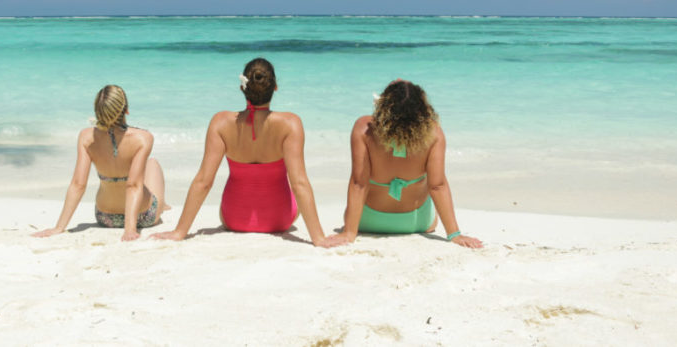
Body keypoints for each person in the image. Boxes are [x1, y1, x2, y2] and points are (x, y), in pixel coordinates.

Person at [154, 58, 339, 247]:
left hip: (233, 219)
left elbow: (203, 182)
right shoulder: (291, 124)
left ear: (243, 87)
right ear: (275, 87)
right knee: (293, 196)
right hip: (280, 220)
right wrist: (319, 238)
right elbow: (299, 184)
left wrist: (179, 232)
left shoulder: (221, 122)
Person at [331, 79, 482, 248]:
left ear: (384, 106)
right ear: (422, 109)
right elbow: (437, 186)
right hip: (417, 222)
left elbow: (359, 184)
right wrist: (455, 234)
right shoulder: (434, 132)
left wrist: (350, 232)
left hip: (368, 221)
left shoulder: (364, 128)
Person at [33, 85, 166, 241]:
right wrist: (130, 229)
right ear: (126, 110)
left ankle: (162, 204)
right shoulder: (143, 138)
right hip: (142, 216)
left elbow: (78, 184)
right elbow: (133, 185)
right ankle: (163, 205)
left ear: (98, 112)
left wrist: (59, 227)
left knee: (141, 174)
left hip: (105, 217)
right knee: (153, 164)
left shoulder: (86, 137)